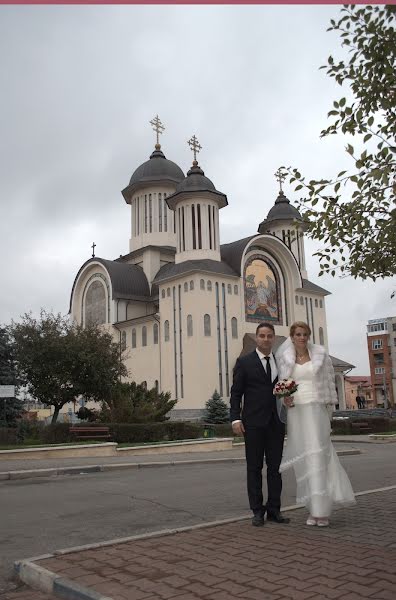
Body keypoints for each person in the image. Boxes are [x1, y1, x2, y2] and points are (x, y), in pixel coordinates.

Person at [276, 321, 356, 527]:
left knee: (318, 455)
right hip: (297, 411)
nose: (301, 337)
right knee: (304, 458)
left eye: (305, 334)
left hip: (316, 409)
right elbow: (283, 384)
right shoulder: (285, 358)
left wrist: (328, 405)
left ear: (308, 336)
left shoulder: (321, 356)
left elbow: (330, 385)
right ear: (292, 337)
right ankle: (313, 509)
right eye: (298, 334)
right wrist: (285, 398)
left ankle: (322, 511)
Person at [230, 322, 289, 527]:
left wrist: (288, 398)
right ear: (256, 338)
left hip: (276, 422)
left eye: (269, 336)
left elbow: (284, 389)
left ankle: (274, 510)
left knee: (275, 468)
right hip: (253, 423)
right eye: (262, 336)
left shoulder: (281, 363)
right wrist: (235, 418)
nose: (265, 339)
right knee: (254, 468)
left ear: (274, 338)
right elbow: (236, 393)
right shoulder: (244, 362)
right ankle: (257, 511)